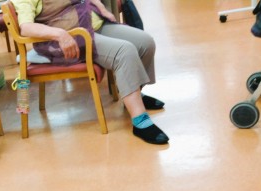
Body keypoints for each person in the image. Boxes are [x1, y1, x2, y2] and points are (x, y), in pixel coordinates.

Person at [11, 0, 170, 145]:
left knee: (146, 43)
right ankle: (140, 120)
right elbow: (26, 27)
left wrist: (101, 8)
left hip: (92, 25)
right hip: (73, 39)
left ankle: (134, 95)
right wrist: (59, 34)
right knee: (125, 52)